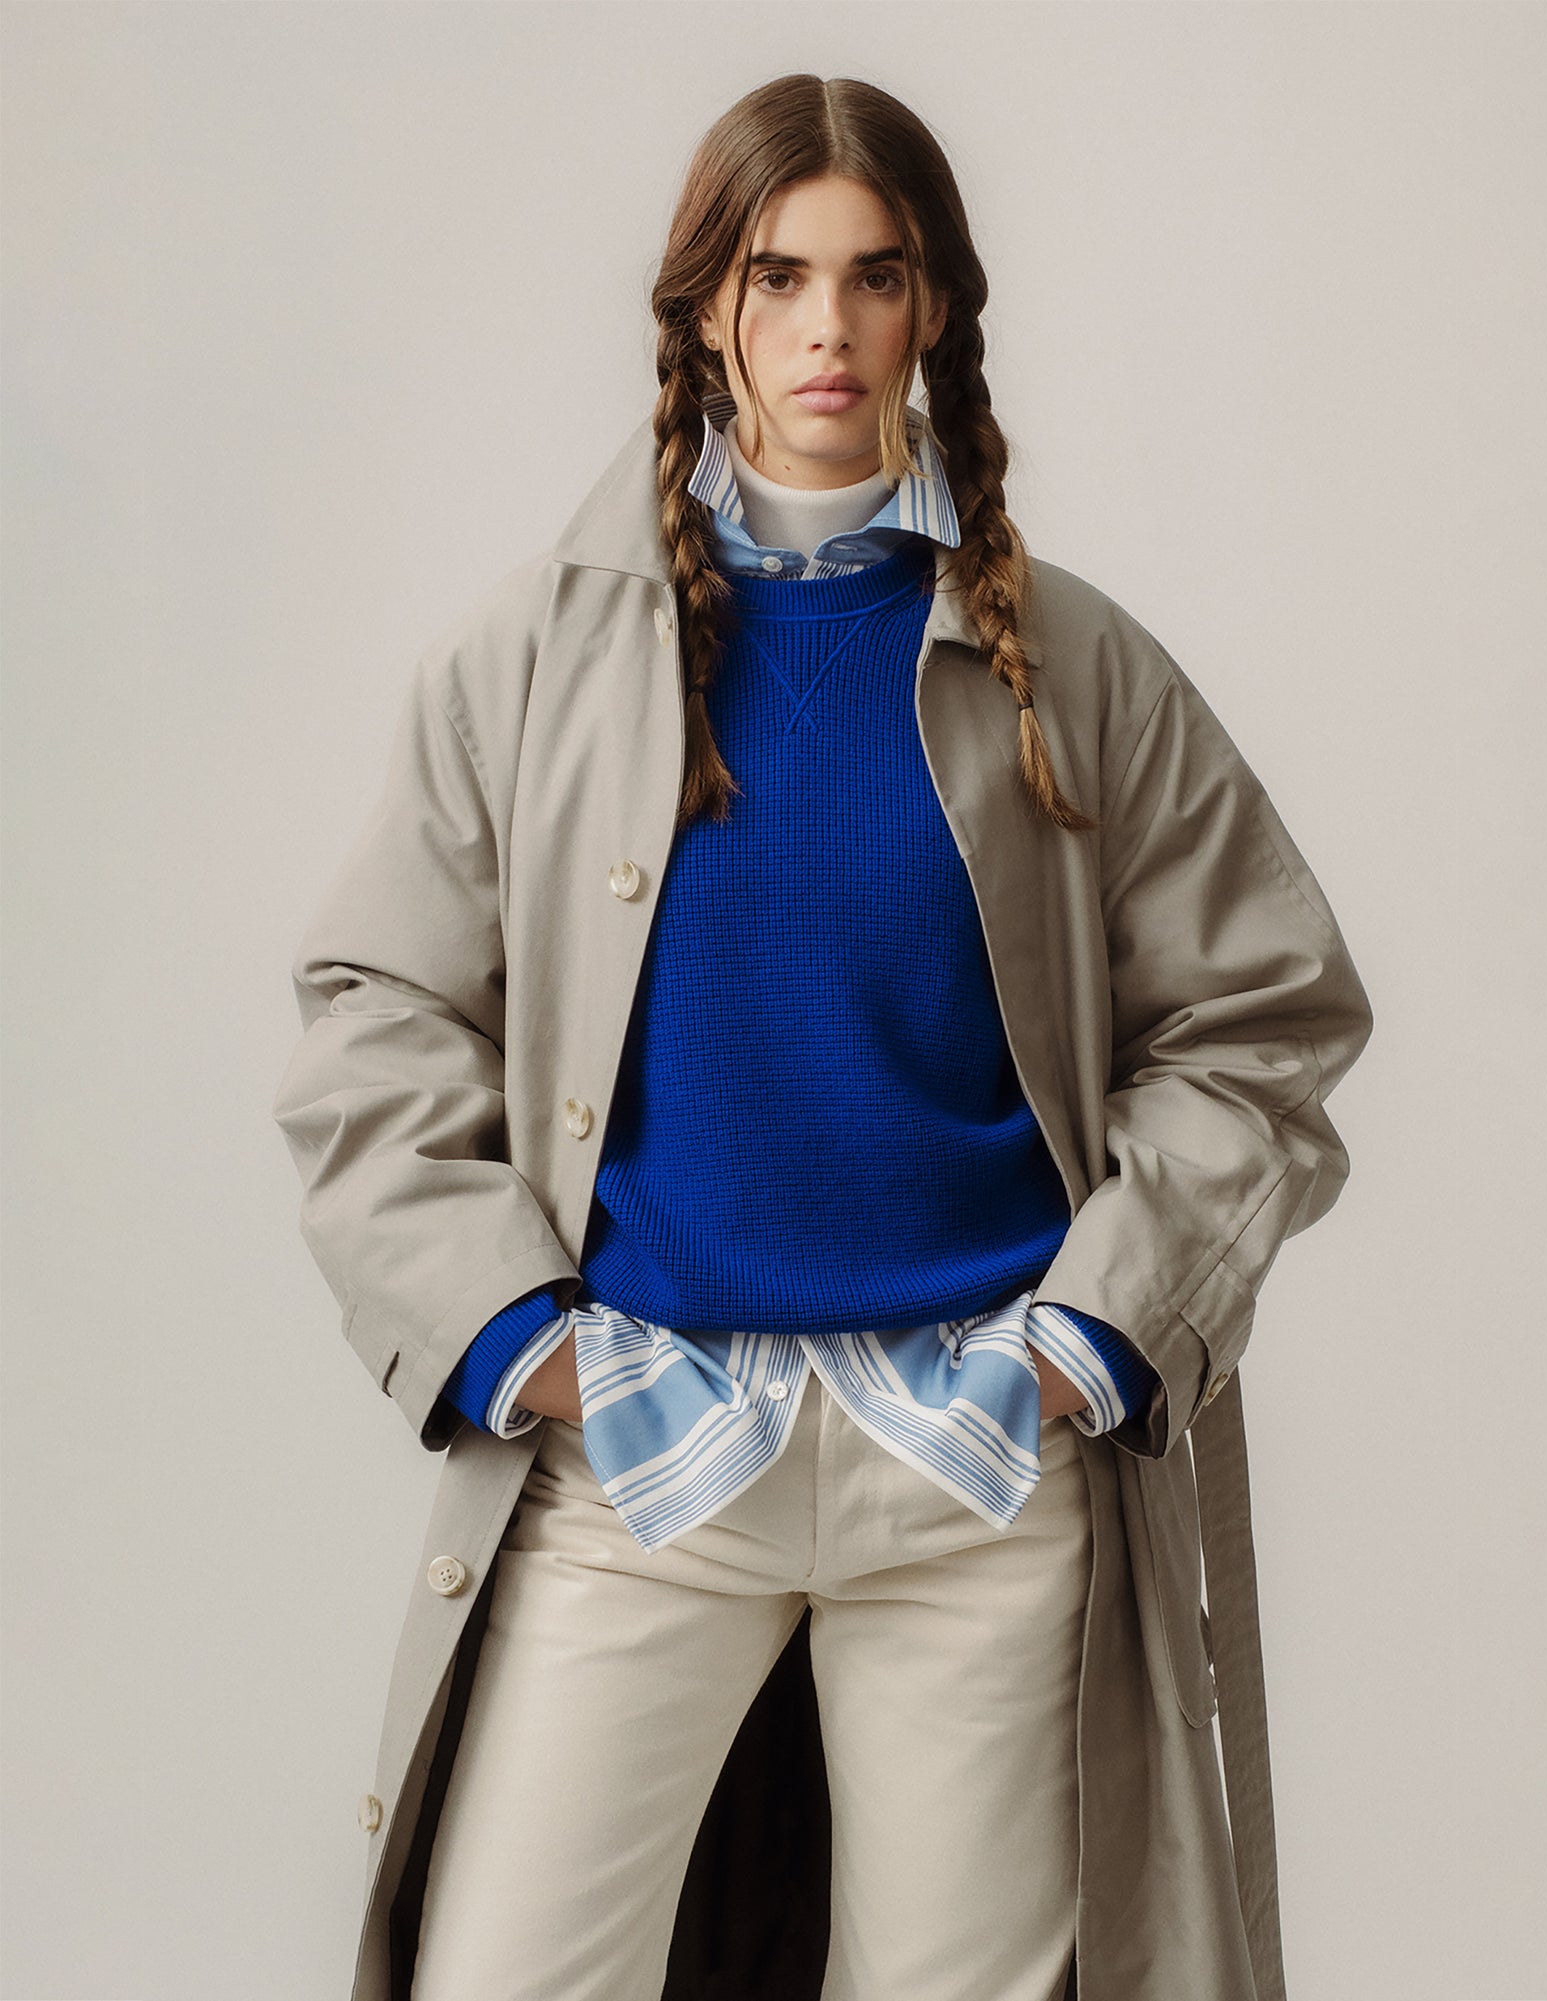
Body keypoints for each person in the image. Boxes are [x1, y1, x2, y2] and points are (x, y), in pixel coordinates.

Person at [272, 73, 1373, 2001]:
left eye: (876, 275)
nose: (826, 327)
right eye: (777, 275)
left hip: (975, 1470)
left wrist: (1091, 1338)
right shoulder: (534, 659)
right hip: (644, 1457)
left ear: (931, 304)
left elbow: (1264, 1011)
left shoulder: (1075, 664)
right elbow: (377, 1013)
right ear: (707, 305)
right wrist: (523, 1342)